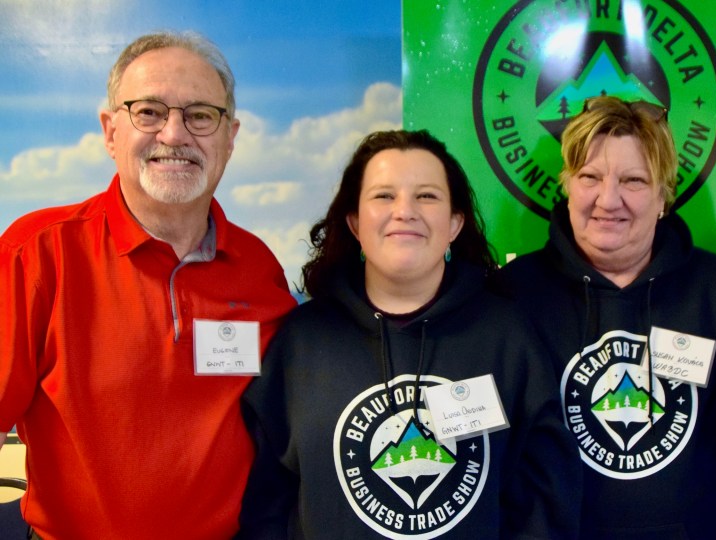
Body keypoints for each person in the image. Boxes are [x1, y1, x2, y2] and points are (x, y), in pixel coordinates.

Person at [0, 31, 296, 539]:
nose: (175, 134)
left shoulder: (259, 268)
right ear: (110, 131)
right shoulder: (37, 253)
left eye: (201, 115)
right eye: (149, 112)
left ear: (230, 137)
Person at [237, 129, 581, 539]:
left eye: (427, 196)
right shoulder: (301, 342)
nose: (405, 211)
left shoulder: (507, 337)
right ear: (354, 222)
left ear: (455, 223)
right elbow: (265, 504)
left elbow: (545, 492)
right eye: (384, 196)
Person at [498, 95, 716, 538]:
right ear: (566, 186)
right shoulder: (514, 295)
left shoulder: (715, 293)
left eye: (634, 180)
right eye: (590, 177)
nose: (608, 199)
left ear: (664, 195)